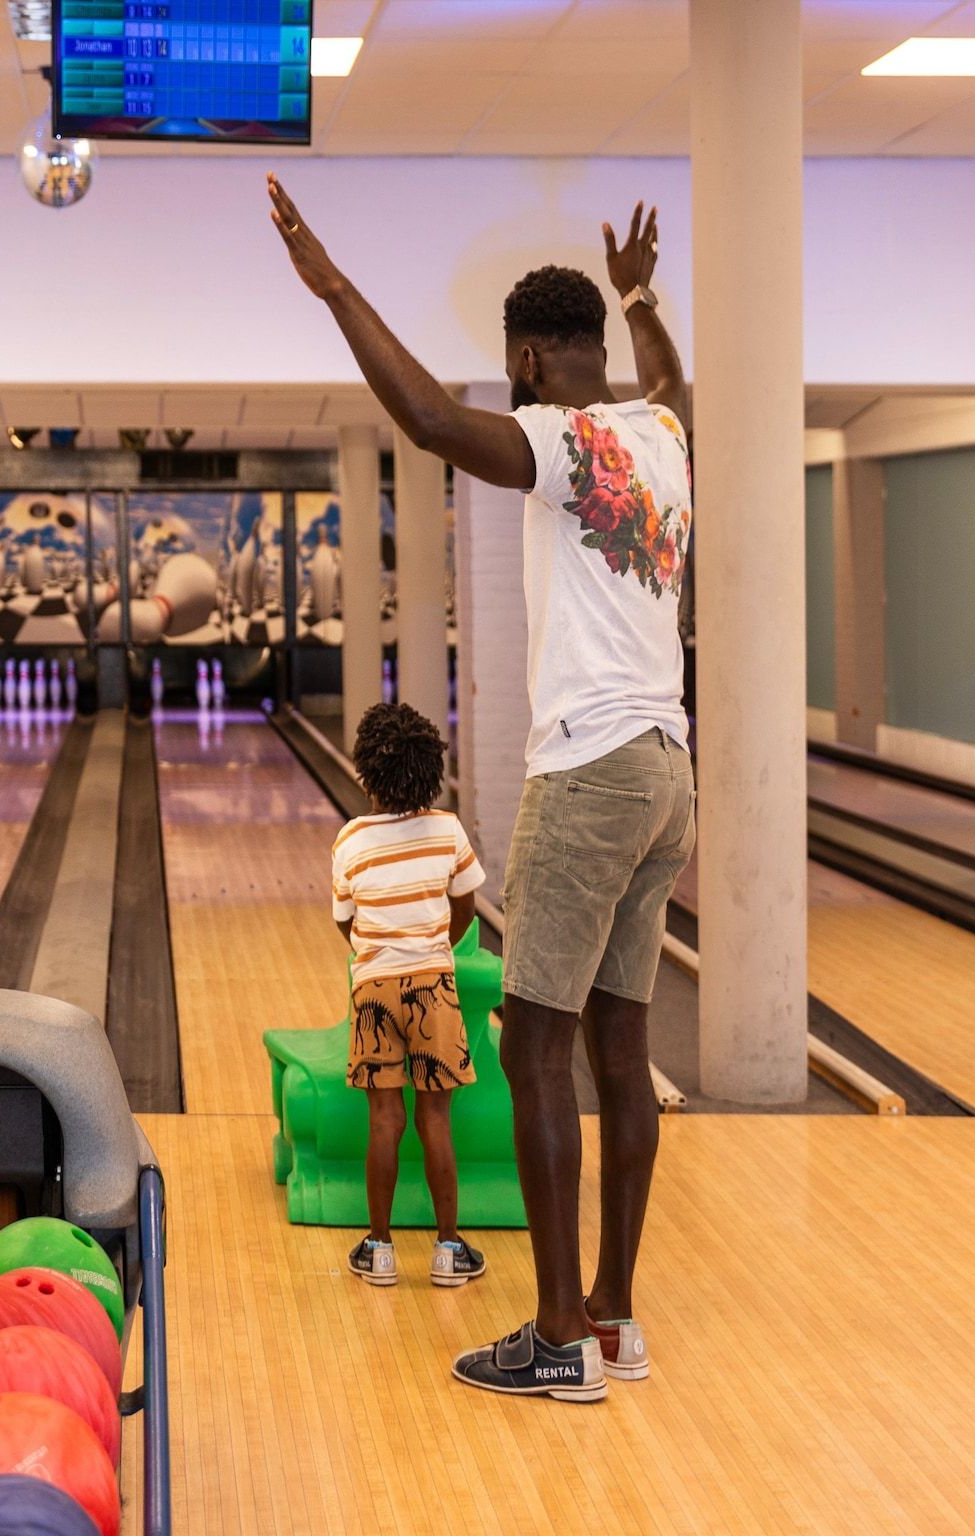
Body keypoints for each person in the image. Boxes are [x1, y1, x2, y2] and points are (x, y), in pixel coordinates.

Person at [271, 178, 694, 1403]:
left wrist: (330, 286)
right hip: (666, 767)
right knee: (621, 1046)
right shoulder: (661, 435)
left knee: (533, 1043)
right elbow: (671, 378)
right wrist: (639, 296)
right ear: (596, 345)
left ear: (523, 360)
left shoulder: (558, 438)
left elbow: (423, 419)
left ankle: (555, 1334)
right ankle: (611, 1317)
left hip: (588, 765)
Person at [335, 702, 487, 1292]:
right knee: (435, 1117)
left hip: (374, 987)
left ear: (366, 774)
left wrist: (377, 954)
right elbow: (466, 906)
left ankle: (379, 1249)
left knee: (384, 1117)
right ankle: (448, 1249)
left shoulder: (350, 839)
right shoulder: (448, 829)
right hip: (433, 986)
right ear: (430, 772)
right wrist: (434, 946)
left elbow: (345, 921)